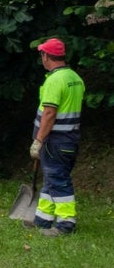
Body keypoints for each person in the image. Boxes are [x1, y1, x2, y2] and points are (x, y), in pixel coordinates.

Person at [28, 37, 85, 236]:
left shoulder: (54, 80)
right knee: (52, 179)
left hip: (55, 140)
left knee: (58, 180)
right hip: (70, 139)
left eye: (42, 54)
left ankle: (65, 224)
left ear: (46, 56)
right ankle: (43, 220)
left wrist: (39, 140)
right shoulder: (74, 78)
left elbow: (49, 113)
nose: (42, 59)